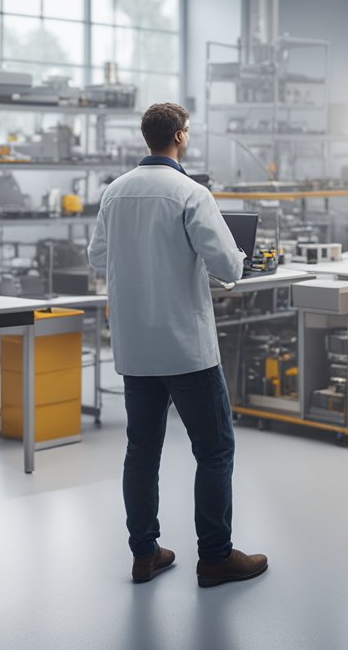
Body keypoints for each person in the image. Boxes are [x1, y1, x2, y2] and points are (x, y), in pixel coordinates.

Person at [88, 102, 268, 586]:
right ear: (181, 137)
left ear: (147, 137)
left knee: (141, 450)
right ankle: (214, 556)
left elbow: (97, 255)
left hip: (136, 347)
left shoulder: (115, 192)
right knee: (213, 451)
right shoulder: (192, 193)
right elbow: (228, 267)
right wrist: (237, 253)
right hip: (186, 349)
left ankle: (144, 554)